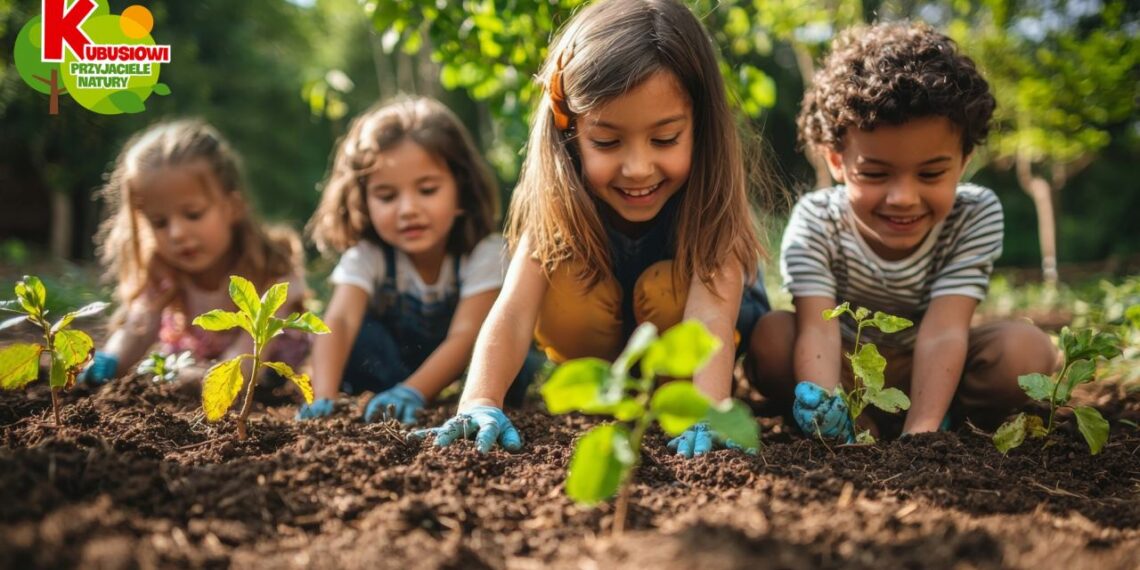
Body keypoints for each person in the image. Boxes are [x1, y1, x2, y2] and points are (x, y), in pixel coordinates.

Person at [411, 0, 771, 456]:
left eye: (665, 139)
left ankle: (674, 403)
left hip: (693, 359)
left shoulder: (710, 208)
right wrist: (480, 400)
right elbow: (515, 310)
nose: (638, 168)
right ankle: (610, 398)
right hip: (602, 360)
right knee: (561, 281)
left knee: (669, 289)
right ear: (570, 133)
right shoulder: (557, 206)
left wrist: (709, 409)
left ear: (701, 127)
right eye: (606, 141)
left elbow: (710, 320)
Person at [749, 23, 1059, 441]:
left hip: (932, 363)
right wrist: (827, 401)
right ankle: (854, 427)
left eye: (931, 173)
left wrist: (923, 432)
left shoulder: (974, 214)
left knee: (1026, 350)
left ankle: (941, 415)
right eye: (876, 173)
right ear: (837, 161)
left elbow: (946, 327)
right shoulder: (817, 221)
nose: (903, 198)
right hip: (845, 366)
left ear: (964, 160)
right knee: (771, 338)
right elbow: (817, 328)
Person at [301, 96, 539, 424]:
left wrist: (414, 391)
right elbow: (338, 322)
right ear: (362, 200)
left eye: (427, 190)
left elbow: (465, 335)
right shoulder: (368, 257)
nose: (408, 209)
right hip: (390, 374)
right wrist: (323, 397)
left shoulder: (483, 254)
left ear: (462, 191)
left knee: (516, 360)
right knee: (361, 340)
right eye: (387, 196)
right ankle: (382, 402)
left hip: (464, 380)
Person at [82, 120, 310, 384]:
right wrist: (109, 361)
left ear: (233, 206)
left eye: (193, 214)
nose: (177, 233)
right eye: (160, 223)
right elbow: (137, 330)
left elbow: (246, 365)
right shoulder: (164, 272)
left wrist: (188, 379)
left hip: (263, 385)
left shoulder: (270, 273)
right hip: (191, 377)